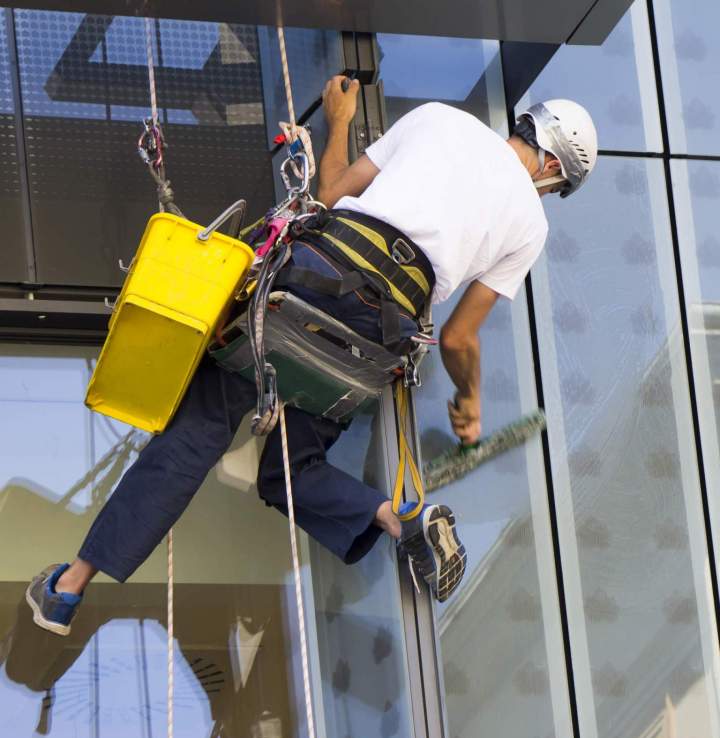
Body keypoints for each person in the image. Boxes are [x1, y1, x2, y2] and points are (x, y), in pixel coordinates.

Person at [26, 78, 597, 637]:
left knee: (198, 431)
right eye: (555, 187)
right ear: (553, 166)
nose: (546, 193)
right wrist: (469, 402)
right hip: (372, 341)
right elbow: (458, 338)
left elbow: (329, 196)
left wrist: (339, 121)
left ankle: (70, 586)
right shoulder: (531, 224)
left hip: (308, 288)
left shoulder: (439, 119)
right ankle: (400, 520)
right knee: (292, 472)